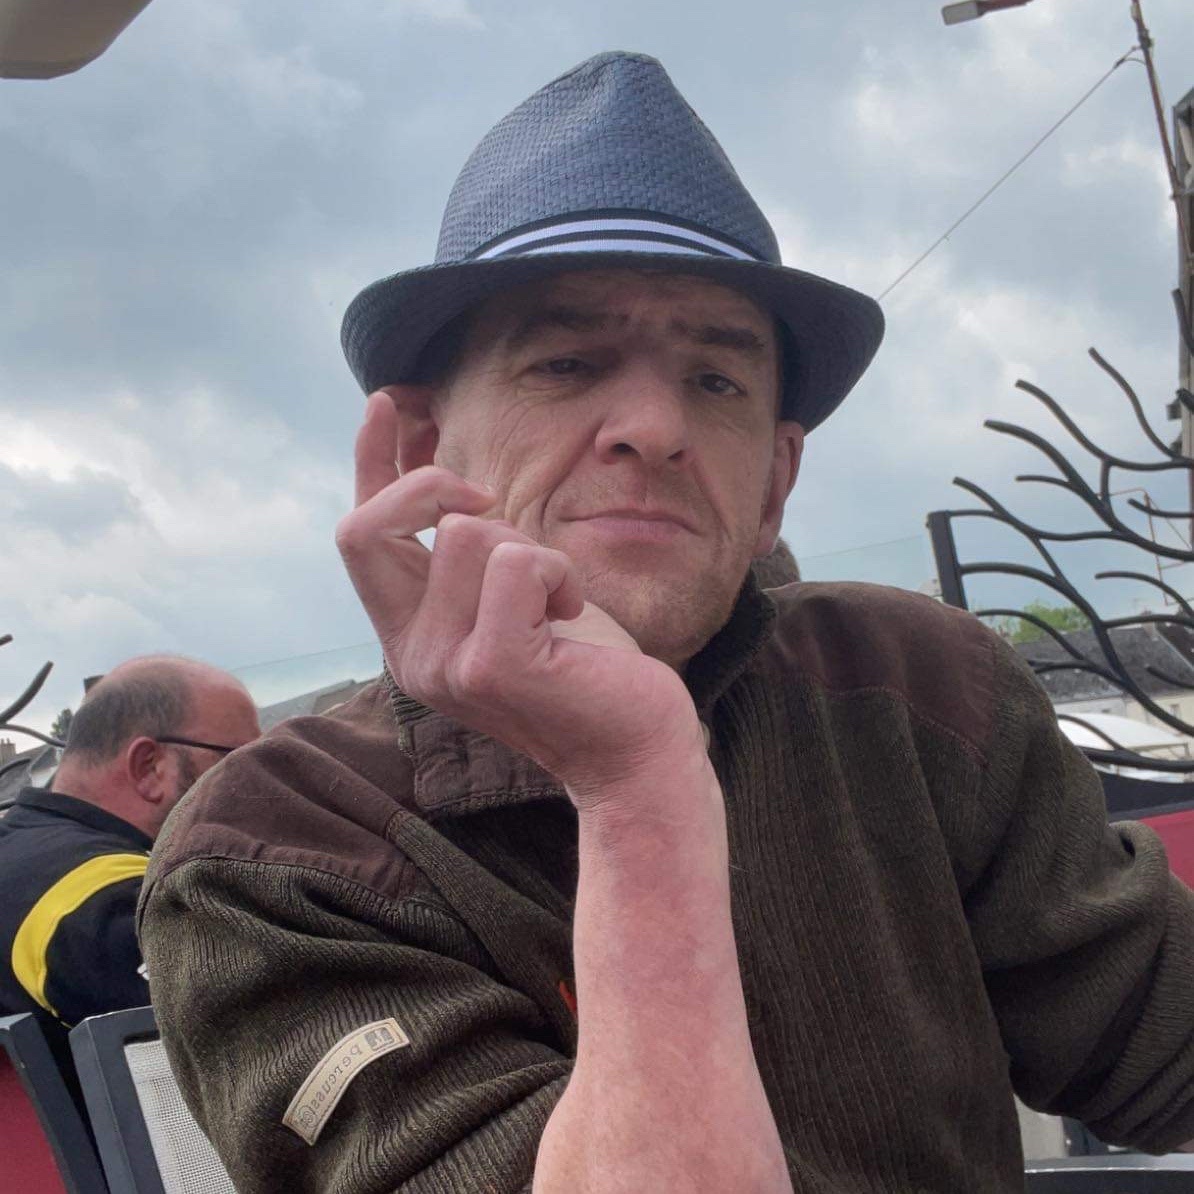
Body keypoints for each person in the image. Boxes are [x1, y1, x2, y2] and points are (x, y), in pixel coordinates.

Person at [138, 52, 1194, 1193]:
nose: (652, 425)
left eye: (717, 381)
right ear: (420, 452)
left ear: (775, 482)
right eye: (567, 362)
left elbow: (1161, 1052)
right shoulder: (277, 854)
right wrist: (638, 786)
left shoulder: (920, 690)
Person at [0, 655, 260, 1028]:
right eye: (237, 762)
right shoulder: (102, 900)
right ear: (149, 767)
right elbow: (274, 1021)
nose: (257, 785)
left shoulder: (24, 857)